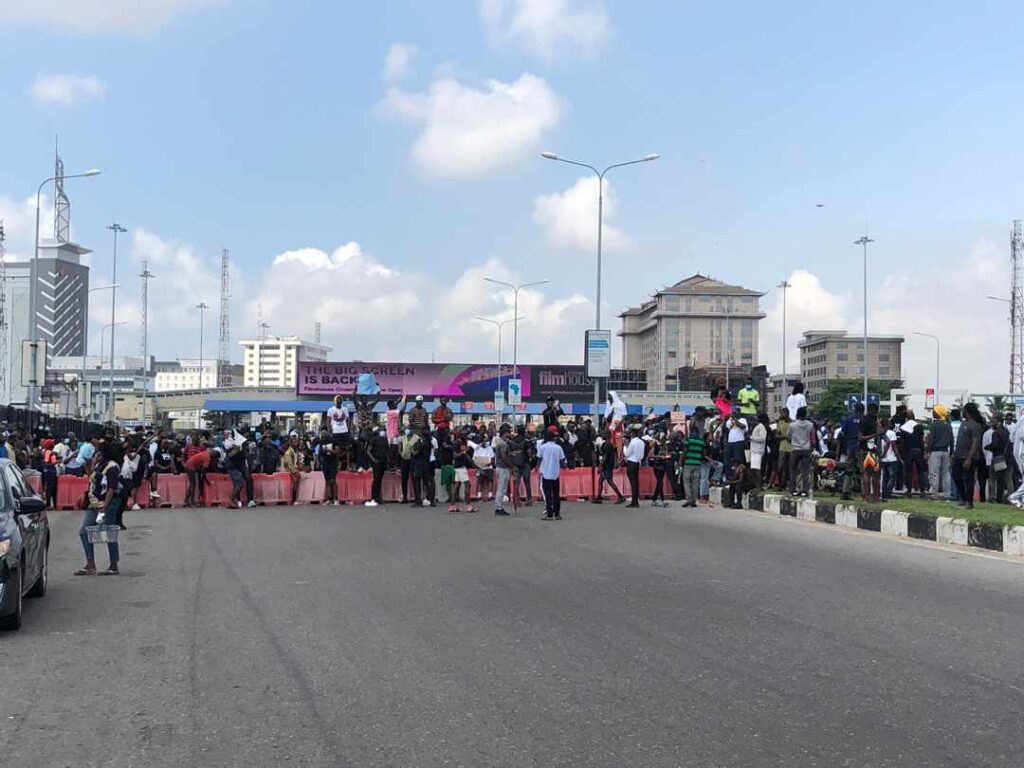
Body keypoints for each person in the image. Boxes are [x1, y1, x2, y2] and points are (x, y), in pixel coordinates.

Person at [75, 443, 123, 576]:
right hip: (94, 503)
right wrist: (90, 465)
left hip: (107, 504)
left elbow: (111, 489)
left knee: (109, 533)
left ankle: (113, 565)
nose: (95, 454)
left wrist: (104, 508)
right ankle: (90, 563)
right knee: (84, 531)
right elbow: (93, 481)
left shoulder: (112, 467)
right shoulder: (99, 464)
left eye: (97, 452)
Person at [952, 402, 983, 509]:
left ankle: (969, 502)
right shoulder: (963, 423)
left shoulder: (975, 425)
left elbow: (975, 442)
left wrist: (969, 458)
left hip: (969, 457)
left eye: (964, 411)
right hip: (959, 456)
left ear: (968, 412)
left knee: (968, 479)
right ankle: (963, 498)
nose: (963, 413)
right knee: (956, 477)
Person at [537, 426, 566, 520]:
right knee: (556, 494)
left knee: (548, 494)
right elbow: (562, 462)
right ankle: (557, 514)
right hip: (555, 474)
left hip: (545, 474)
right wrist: (564, 467)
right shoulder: (558, 448)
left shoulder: (542, 447)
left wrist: (536, 467)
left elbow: (539, 459)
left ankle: (549, 514)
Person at [899, 409, 928, 497]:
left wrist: (902, 453)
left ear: (907, 417)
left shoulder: (903, 427)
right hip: (918, 450)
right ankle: (922, 489)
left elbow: (902, 442)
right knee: (920, 471)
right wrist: (923, 451)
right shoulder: (919, 426)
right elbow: (921, 440)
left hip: (908, 451)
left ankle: (908, 489)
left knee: (908, 471)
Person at [593, 429, 626, 504]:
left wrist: (600, 465)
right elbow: (613, 454)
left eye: (604, 433)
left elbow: (605, 456)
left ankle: (620, 496)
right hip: (608, 465)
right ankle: (599, 497)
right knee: (601, 480)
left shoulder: (606, 444)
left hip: (606, 466)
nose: (602, 435)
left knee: (609, 481)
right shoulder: (610, 444)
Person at [839, 403, 864, 500]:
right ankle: (864, 492)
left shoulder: (848, 419)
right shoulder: (865, 419)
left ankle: (845, 492)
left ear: (855, 409)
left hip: (850, 446)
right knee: (862, 471)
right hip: (861, 446)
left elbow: (843, 432)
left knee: (848, 470)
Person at [928, 406, 953, 498]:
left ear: (938, 413)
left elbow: (931, 438)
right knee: (946, 473)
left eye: (934, 412)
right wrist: (952, 452)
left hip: (935, 451)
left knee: (934, 473)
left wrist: (928, 450)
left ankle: (934, 493)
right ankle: (947, 494)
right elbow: (951, 440)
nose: (933, 413)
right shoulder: (948, 424)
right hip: (945, 451)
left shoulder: (934, 424)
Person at [789, 407, 814, 497]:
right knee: (805, 471)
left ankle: (793, 490)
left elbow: (789, 436)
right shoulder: (810, 425)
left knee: (793, 470)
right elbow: (812, 437)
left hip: (795, 449)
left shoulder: (792, 425)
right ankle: (804, 490)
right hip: (806, 449)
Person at [681, 416, 706, 508]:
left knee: (686, 482)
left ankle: (688, 499)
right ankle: (694, 501)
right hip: (697, 464)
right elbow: (704, 454)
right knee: (695, 482)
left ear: (691, 432)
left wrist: (681, 462)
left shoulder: (689, 440)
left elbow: (685, 452)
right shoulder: (701, 441)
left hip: (688, 463)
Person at [987, 412, 1011, 503]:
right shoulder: (1006, 431)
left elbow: (995, 445)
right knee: (1006, 478)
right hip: (1006, 457)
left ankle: (992, 497)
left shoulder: (996, 433)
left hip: (997, 457)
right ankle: (1006, 497)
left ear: (999, 422)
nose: (991, 424)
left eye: (993, 422)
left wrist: (987, 447)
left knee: (992, 478)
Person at [365, 427, 389, 507]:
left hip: (383, 461)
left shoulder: (385, 440)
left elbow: (387, 451)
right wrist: (374, 460)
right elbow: (368, 451)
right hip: (376, 461)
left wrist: (387, 460)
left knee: (379, 479)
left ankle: (378, 497)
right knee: (376, 479)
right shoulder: (373, 439)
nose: (383, 432)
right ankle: (374, 497)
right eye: (381, 430)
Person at [492, 423, 513, 516]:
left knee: (501, 488)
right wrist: (511, 465)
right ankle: (499, 507)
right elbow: (504, 457)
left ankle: (499, 507)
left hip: (500, 467)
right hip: (503, 468)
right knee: (501, 489)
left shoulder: (500, 442)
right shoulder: (503, 444)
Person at [623, 424, 645, 508]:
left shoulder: (633, 442)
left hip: (631, 462)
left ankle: (634, 502)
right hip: (637, 462)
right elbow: (642, 456)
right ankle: (636, 501)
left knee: (633, 483)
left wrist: (625, 446)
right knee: (636, 482)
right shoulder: (641, 442)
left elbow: (627, 453)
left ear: (633, 434)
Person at [452, 438, 475, 512]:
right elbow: (455, 456)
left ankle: (452, 506)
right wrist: (464, 452)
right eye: (465, 446)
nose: (466, 447)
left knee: (456, 486)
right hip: (461, 468)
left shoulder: (464, 453)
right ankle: (468, 506)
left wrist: (478, 467)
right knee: (467, 485)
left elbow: (470, 460)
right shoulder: (460, 452)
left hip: (459, 468)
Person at [398, 427, 419, 503]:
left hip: (413, 459)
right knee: (404, 479)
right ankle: (405, 497)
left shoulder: (416, 438)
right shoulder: (403, 438)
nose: (409, 430)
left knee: (414, 478)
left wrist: (415, 453)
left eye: (410, 429)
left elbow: (418, 448)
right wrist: (401, 454)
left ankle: (417, 497)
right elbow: (399, 447)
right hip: (404, 460)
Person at [879, 417, 899, 500]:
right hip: (891, 458)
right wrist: (899, 458)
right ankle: (888, 493)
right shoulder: (892, 433)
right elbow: (893, 447)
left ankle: (883, 493)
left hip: (882, 459)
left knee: (885, 477)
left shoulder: (879, 434)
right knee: (892, 476)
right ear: (887, 424)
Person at [724, 405, 748, 472]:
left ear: (739, 412)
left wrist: (734, 419)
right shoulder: (729, 420)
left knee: (738, 459)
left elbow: (743, 427)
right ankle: (729, 475)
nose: (734, 413)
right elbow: (728, 428)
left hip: (739, 441)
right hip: (730, 442)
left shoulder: (743, 420)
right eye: (733, 412)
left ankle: (739, 475)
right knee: (728, 460)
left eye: (735, 412)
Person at [648, 432, 669, 508]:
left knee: (659, 483)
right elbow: (650, 455)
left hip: (663, 465)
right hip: (657, 466)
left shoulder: (665, 445)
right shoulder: (655, 445)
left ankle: (654, 499)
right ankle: (662, 500)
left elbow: (666, 453)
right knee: (660, 482)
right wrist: (659, 456)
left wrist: (666, 456)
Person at [281, 437, 303, 505]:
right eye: (294, 442)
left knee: (296, 485)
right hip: (290, 471)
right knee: (294, 485)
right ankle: (293, 499)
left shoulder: (296, 451)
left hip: (295, 470)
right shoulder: (288, 452)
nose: (296, 444)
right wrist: (294, 471)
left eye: (296, 442)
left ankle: (296, 499)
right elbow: (289, 463)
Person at [749, 413, 769, 488]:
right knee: (754, 469)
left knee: (757, 469)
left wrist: (751, 437)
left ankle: (759, 485)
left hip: (758, 451)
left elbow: (762, 439)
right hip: (754, 450)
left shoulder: (761, 427)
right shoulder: (757, 427)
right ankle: (756, 485)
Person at [775, 408, 792, 490]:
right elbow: (776, 435)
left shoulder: (793, 423)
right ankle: (781, 483)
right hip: (782, 446)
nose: (781, 415)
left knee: (790, 466)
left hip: (791, 447)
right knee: (780, 466)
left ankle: (787, 483)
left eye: (782, 414)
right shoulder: (780, 423)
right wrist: (784, 437)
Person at [322, 441, 340, 506]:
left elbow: (337, 451)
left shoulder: (334, 441)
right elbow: (320, 453)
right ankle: (329, 499)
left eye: (325, 432)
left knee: (333, 480)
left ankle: (336, 499)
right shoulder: (322, 442)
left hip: (333, 464)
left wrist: (329, 450)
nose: (323, 433)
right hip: (325, 464)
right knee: (327, 481)